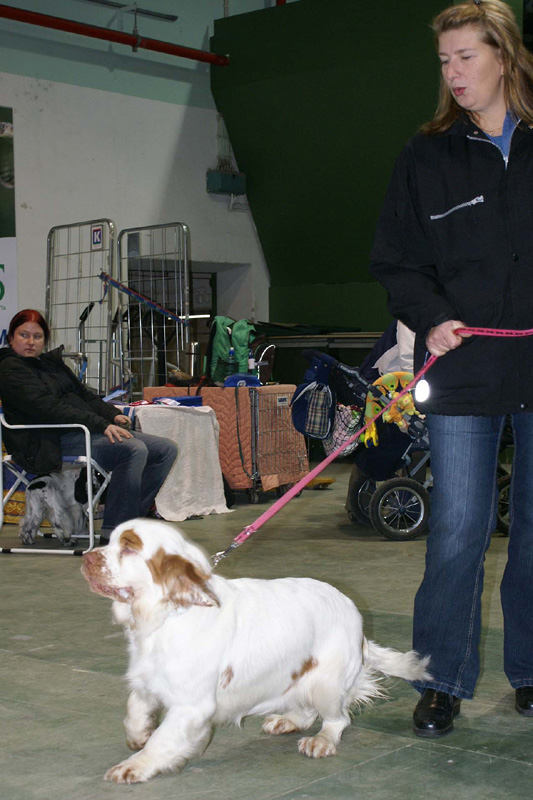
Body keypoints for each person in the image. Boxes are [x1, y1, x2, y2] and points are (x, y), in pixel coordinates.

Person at [370, 0, 533, 737]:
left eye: (466, 56)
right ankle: (440, 677)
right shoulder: (425, 156)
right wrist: (430, 316)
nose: (453, 73)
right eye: (444, 60)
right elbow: (396, 260)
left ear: (503, 55)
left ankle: (529, 670)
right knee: (459, 528)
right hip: (463, 369)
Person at [0, 309, 177, 544]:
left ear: (45, 340)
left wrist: (113, 416)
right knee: (132, 449)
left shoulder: (52, 365)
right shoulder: (10, 368)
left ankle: (131, 522)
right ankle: (115, 533)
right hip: (43, 440)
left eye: (38, 336)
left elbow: (86, 396)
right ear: (11, 338)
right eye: (24, 335)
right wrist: (100, 423)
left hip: (78, 430)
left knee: (165, 449)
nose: (31, 342)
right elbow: (49, 408)